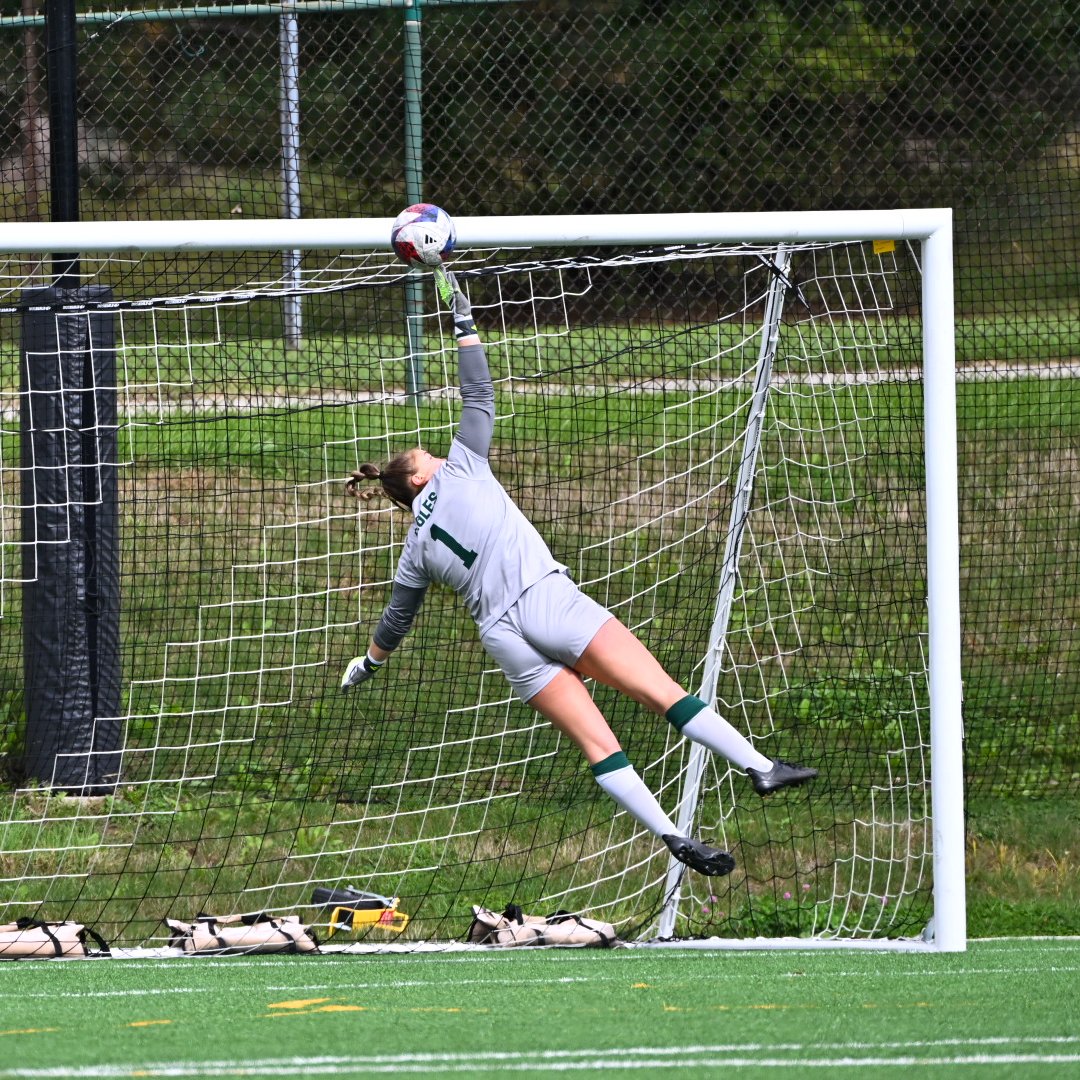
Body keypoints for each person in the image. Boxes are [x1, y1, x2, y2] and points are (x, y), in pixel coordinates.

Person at [342, 270, 816, 877]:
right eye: (428, 455)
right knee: (660, 692)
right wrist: (463, 323)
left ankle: (671, 835)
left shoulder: (413, 547)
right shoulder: (459, 468)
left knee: (598, 744)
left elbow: (396, 619)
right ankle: (759, 766)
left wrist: (369, 664)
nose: (438, 451)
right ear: (418, 479)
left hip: (504, 639)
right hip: (547, 603)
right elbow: (480, 393)